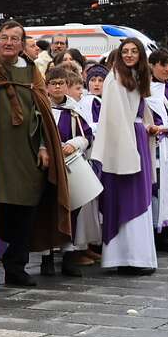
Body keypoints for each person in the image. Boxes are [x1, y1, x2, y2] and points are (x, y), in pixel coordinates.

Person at [0, 21, 67, 287]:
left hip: (27, 153)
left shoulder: (31, 71)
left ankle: (16, 266)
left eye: (14, 39)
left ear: (22, 44)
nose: (8, 42)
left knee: (25, 210)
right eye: (4, 38)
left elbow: (42, 110)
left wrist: (44, 146)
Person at [95, 39, 159, 273]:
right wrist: (128, 151)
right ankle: (127, 257)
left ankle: (137, 256)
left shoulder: (136, 76)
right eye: (125, 51)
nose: (129, 55)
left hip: (137, 137)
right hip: (124, 143)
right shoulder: (115, 79)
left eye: (134, 51)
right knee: (128, 197)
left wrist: (147, 128)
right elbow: (116, 119)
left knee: (140, 197)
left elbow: (139, 111)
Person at [46, 63, 102, 273]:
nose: (57, 87)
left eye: (61, 83)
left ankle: (69, 254)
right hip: (47, 165)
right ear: (47, 86)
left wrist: (74, 144)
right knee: (48, 209)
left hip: (69, 163)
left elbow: (86, 135)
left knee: (71, 208)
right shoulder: (41, 108)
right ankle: (47, 257)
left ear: (66, 85)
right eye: (53, 83)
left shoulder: (73, 110)